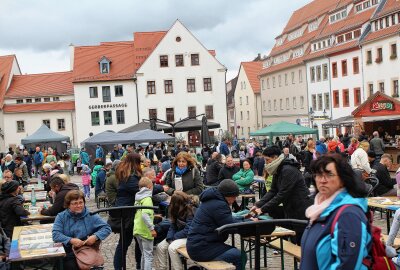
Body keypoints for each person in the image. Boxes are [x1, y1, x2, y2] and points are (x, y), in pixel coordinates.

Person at [300, 154, 371, 269]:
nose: (322, 180)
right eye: (319, 174)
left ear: (343, 180)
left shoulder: (349, 214)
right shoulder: (319, 209)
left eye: (329, 174)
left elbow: (348, 264)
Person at [251, 146, 311, 244]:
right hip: (291, 208)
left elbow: (282, 194)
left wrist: (262, 209)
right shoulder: (278, 169)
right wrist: (258, 204)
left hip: (301, 209)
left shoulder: (287, 170)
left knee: (301, 242)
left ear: (275, 157)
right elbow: (273, 191)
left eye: (267, 160)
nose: (266, 163)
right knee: (295, 240)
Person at [187, 179, 245, 269]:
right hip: (202, 248)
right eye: (234, 196)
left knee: (234, 252)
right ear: (227, 195)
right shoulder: (219, 204)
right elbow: (231, 227)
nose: (234, 199)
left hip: (199, 245)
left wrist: (243, 219)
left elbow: (226, 219)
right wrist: (251, 224)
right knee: (240, 255)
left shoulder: (212, 200)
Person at [52, 190, 111, 269]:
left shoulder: (91, 215)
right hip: (68, 251)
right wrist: (71, 240)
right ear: (68, 205)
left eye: (81, 202)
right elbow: (56, 235)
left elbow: (106, 228)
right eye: (75, 203)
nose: (79, 205)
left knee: (95, 265)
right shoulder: (61, 217)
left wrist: (95, 236)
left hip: (87, 249)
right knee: (69, 266)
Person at [114, 153, 142, 270]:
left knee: (136, 242)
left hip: (127, 212)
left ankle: (139, 266)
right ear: (136, 162)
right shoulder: (130, 176)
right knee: (125, 244)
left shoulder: (125, 173)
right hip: (129, 214)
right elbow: (140, 190)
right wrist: (160, 188)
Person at [155, 191, 196, 270]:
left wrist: (174, 237)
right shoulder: (175, 209)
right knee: (160, 247)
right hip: (178, 236)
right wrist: (170, 237)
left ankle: (178, 268)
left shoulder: (191, 210)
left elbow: (189, 230)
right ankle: (162, 268)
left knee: (172, 248)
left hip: (190, 237)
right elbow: (172, 225)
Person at [133, 177, 156, 270]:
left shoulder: (138, 198)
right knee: (148, 256)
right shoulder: (147, 199)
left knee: (144, 254)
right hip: (145, 230)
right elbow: (145, 215)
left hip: (137, 229)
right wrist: (152, 228)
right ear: (150, 187)